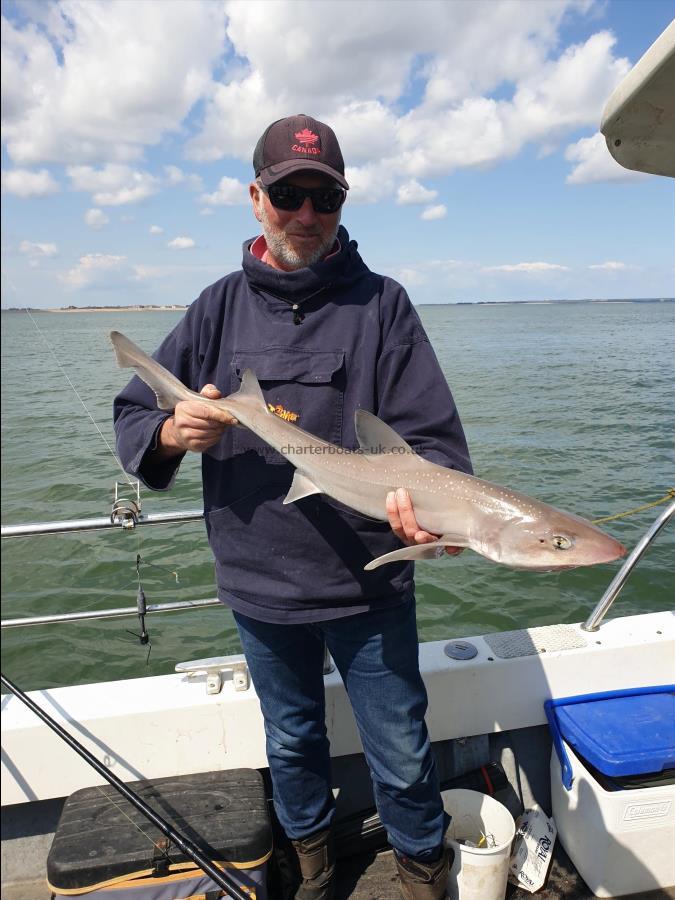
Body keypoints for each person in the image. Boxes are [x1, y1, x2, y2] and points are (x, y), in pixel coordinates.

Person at [114, 114, 472, 900]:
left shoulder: (384, 306)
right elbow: (133, 418)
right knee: (292, 738)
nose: (306, 215)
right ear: (255, 199)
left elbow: (436, 444)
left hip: (369, 583)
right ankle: (311, 864)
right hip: (260, 585)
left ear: (342, 204)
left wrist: (436, 510)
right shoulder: (214, 310)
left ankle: (420, 868)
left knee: (402, 746)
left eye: (325, 198)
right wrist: (173, 429)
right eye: (288, 195)